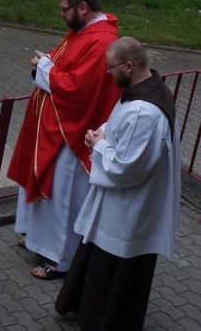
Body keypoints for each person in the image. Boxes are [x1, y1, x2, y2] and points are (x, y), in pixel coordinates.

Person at [55, 37, 181, 331]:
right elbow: (120, 128)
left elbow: (129, 167)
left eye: (110, 68)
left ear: (129, 65)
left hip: (129, 209)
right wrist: (100, 134)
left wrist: (99, 146)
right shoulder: (143, 91)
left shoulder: (145, 112)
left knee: (113, 269)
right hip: (121, 205)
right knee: (99, 259)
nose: (107, 73)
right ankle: (85, 310)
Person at [7, 0, 121, 280]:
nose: (61, 15)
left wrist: (45, 68)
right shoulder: (82, 32)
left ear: (83, 7)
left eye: (64, 9)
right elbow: (64, 66)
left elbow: (78, 89)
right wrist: (44, 63)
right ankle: (35, 237)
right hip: (53, 125)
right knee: (47, 188)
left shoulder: (101, 41)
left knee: (62, 196)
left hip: (72, 134)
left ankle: (61, 259)